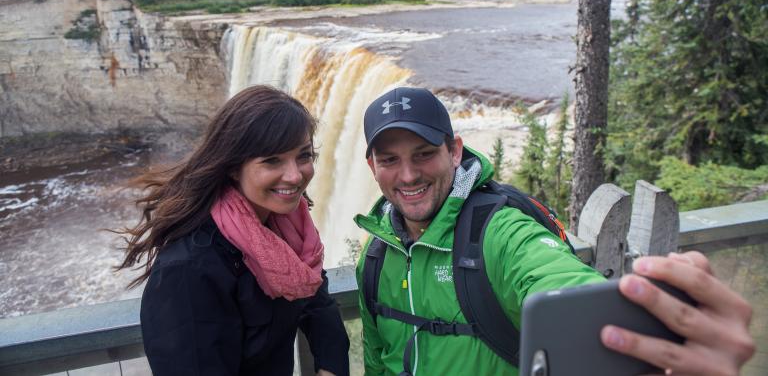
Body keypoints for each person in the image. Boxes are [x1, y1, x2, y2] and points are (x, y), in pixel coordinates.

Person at [355, 86, 754, 376]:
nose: (408, 175)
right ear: (373, 167)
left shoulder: (497, 233)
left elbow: (557, 279)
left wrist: (650, 340)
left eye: (424, 154)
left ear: (455, 151)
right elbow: (377, 360)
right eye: (390, 160)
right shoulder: (373, 258)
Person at [116, 85, 350, 376]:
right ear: (232, 167)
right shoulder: (189, 269)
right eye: (272, 160)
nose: (295, 175)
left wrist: (330, 366)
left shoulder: (287, 228)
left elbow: (316, 299)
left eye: (303, 156)